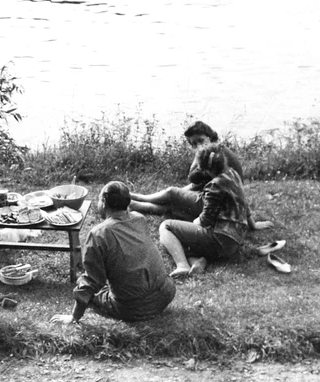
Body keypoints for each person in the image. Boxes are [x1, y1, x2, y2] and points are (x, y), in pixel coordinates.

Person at [50, 181, 176, 325]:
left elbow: (91, 282)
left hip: (134, 308)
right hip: (166, 293)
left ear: (103, 202)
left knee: (90, 289)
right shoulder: (139, 219)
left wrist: (73, 317)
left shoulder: (99, 234)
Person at [159, 143, 273, 278]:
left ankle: (182, 265)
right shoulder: (233, 174)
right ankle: (198, 260)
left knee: (167, 227)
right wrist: (253, 224)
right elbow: (243, 203)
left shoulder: (214, 185)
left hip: (220, 240)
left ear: (205, 170)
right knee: (183, 235)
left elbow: (205, 220)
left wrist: (194, 222)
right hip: (235, 242)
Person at [129, 121, 244, 218]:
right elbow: (195, 178)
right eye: (194, 144)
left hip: (222, 201)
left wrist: (199, 156)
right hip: (219, 194)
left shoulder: (214, 155)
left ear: (210, 137)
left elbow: (193, 177)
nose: (198, 146)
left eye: (201, 140)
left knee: (172, 193)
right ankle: (138, 200)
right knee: (178, 192)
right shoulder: (214, 149)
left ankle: (137, 202)